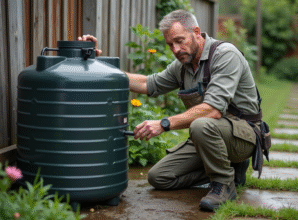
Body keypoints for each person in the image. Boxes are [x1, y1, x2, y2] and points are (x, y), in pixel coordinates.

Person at [78, 9, 262, 211]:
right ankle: (232, 169)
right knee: (159, 177)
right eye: (170, 44)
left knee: (201, 124)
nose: (175, 49)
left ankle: (224, 184)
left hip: (243, 135)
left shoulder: (225, 55)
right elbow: (148, 84)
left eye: (179, 40)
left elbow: (213, 110)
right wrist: (98, 67)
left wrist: (164, 124)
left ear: (197, 32)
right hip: (211, 135)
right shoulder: (183, 66)